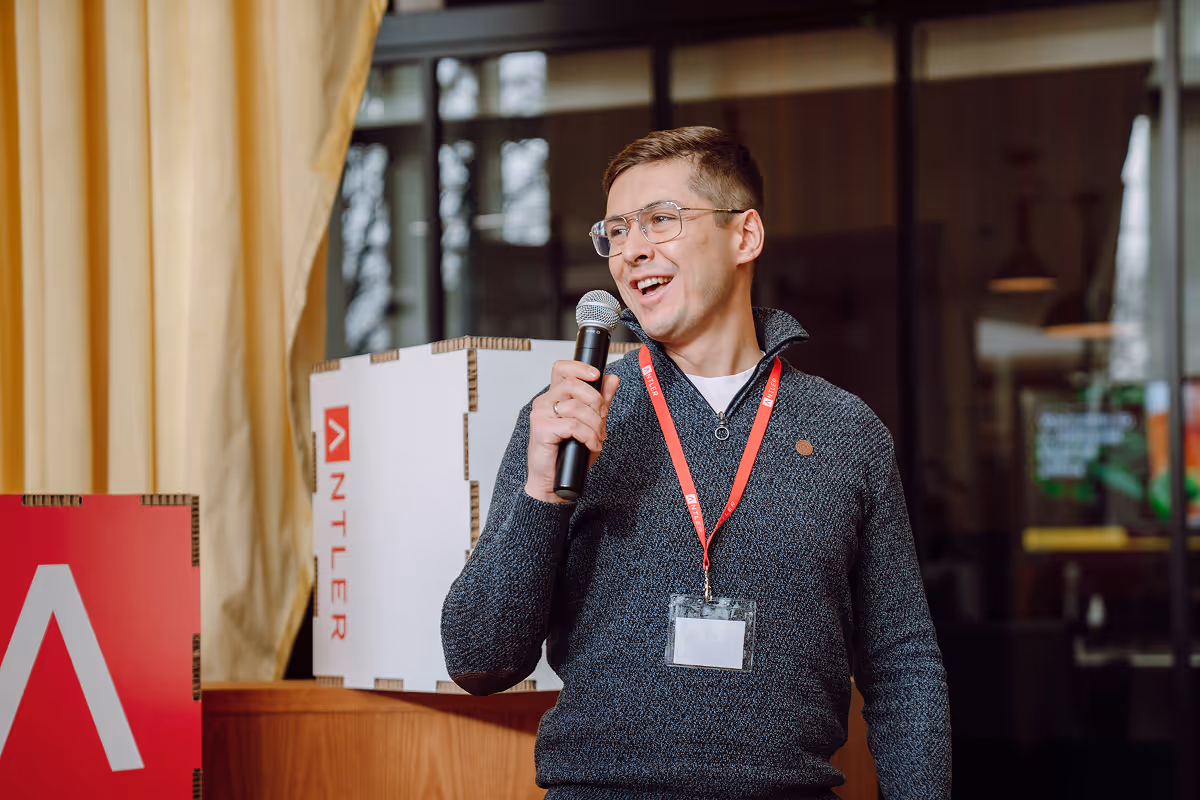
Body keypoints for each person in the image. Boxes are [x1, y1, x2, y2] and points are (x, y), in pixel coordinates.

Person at [441, 126, 951, 799]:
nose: (633, 250)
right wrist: (543, 492)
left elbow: (902, 662)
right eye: (616, 231)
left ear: (744, 237)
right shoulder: (569, 418)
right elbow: (480, 660)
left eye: (660, 220)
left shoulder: (845, 430)